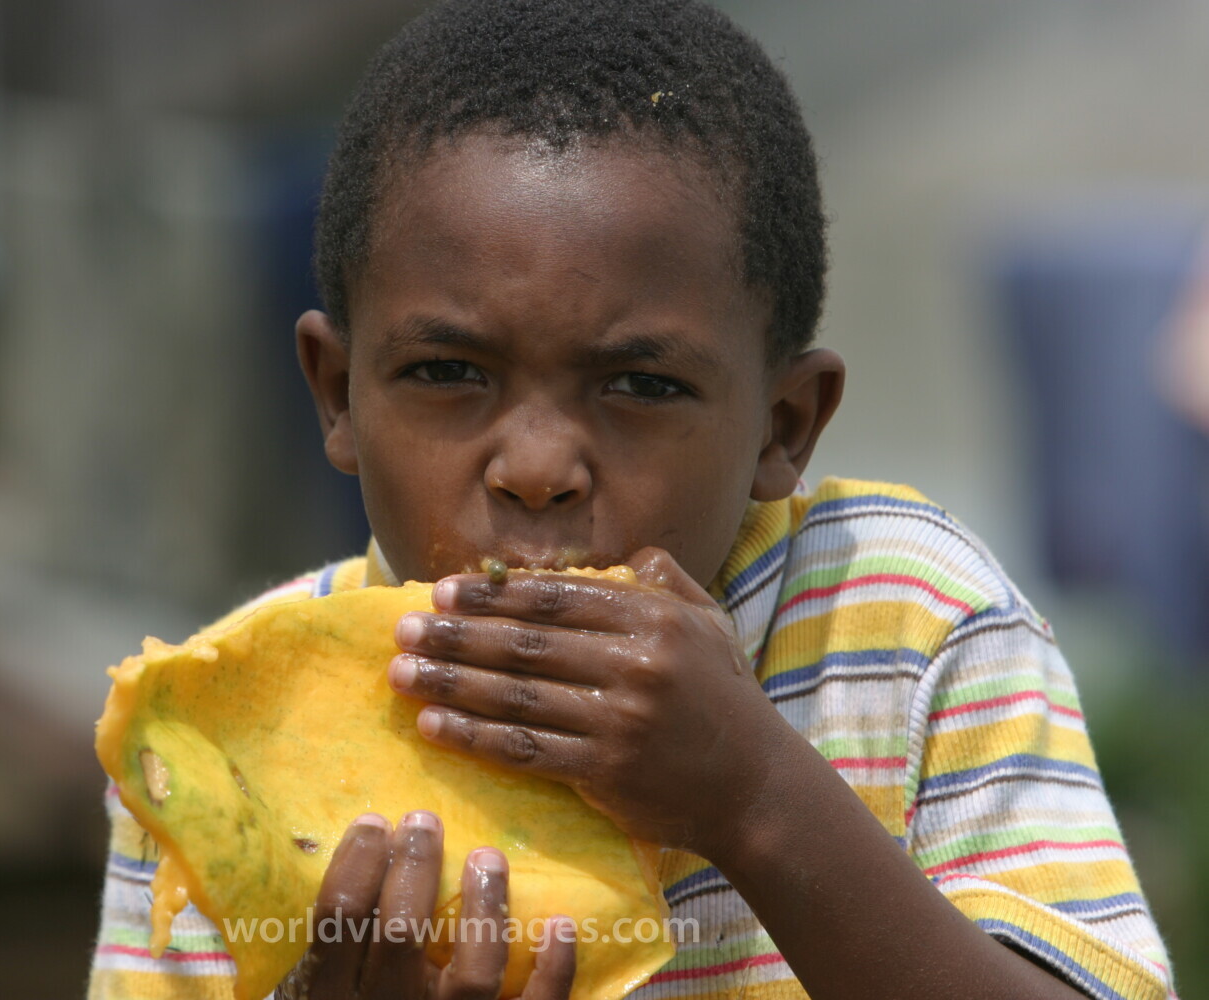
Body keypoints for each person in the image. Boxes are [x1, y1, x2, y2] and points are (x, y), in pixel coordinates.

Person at [88, 1, 1174, 997]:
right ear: (337, 394)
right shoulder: (217, 724)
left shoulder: (906, 626)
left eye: (642, 386)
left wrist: (754, 798)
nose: (537, 467)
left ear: (784, 426)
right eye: (448, 373)